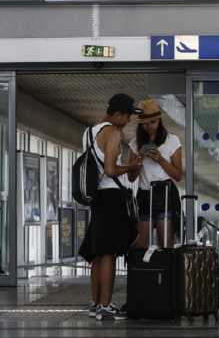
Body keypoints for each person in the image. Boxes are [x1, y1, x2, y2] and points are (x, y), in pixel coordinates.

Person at [78, 93, 142, 321]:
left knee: (98, 253)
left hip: (97, 197)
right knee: (109, 253)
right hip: (111, 197)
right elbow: (111, 170)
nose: (128, 121)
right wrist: (131, 166)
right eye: (127, 116)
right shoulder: (113, 132)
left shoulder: (89, 132)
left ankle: (96, 303)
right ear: (116, 114)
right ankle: (105, 306)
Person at [128, 99, 183, 249]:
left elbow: (178, 175)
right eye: (144, 123)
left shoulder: (172, 140)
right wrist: (139, 158)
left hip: (165, 194)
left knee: (165, 246)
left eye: (153, 122)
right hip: (144, 195)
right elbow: (131, 177)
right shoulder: (135, 143)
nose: (149, 127)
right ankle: (142, 265)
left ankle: (164, 266)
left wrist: (161, 160)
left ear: (159, 120)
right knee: (140, 245)